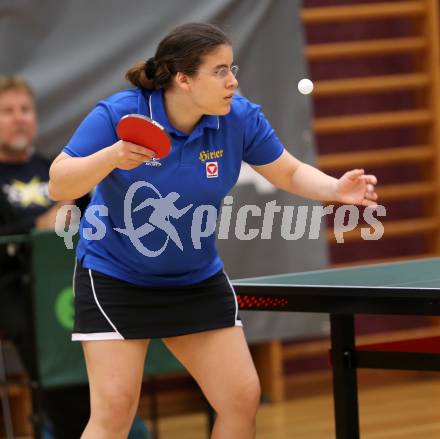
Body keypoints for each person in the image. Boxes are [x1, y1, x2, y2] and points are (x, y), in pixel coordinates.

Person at [48, 23, 378, 439]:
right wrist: (113, 156)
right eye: (220, 70)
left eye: (232, 67)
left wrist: (335, 188)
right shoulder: (120, 113)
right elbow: (59, 183)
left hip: (195, 278)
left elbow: (289, 172)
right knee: (114, 412)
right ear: (183, 78)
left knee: (241, 399)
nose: (232, 80)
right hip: (117, 277)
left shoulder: (238, 118)